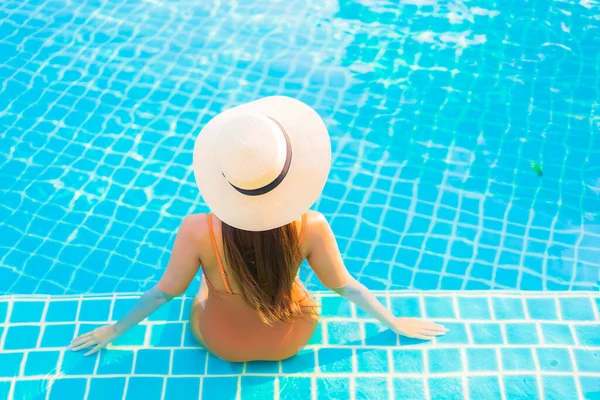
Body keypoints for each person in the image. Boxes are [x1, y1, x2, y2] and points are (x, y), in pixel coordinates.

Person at [70, 96, 447, 362]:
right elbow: (346, 285)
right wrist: (395, 322)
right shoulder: (312, 225)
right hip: (291, 340)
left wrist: (113, 332)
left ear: (224, 176)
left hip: (221, 343)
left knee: (206, 282)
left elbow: (161, 295)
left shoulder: (197, 229)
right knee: (290, 281)